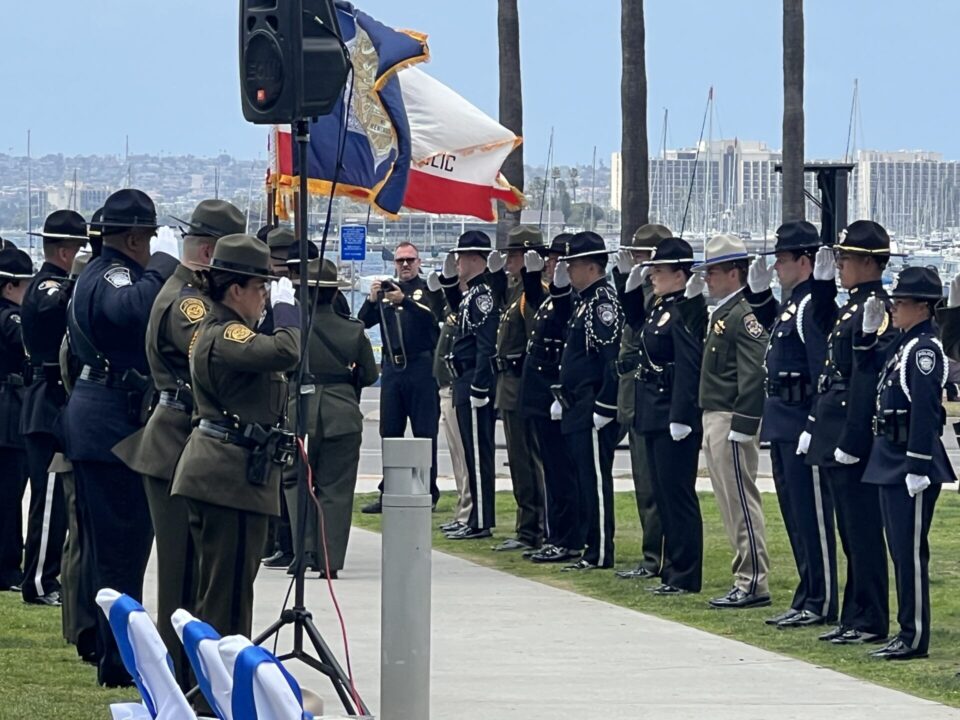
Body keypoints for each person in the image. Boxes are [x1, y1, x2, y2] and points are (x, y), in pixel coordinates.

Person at [111, 199, 245, 689]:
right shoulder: (189, 303)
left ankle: (190, 678)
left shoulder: (188, 294)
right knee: (183, 574)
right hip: (175, 443)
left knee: (192, 571)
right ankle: (182, 682)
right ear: (209, 253)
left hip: (180, 439)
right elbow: (217, 354)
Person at [62, 189, 179, 687]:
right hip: (111, 425)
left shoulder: (103, 269)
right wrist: (163, 266)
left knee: (112, 552)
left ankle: (108, 649)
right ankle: (118, 662)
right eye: (148, 238)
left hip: (103, 421)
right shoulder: (113, 274)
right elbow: (127, 310)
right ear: (133, 238)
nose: (150, 244)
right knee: (121, 553)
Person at [171, 234, 300, 639]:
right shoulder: (226, 333)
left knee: (221, 591)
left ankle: (208, 687)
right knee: (226, 599)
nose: (264, 295)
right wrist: (287, 311)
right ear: (235, 288)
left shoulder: (232, 329)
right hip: (228, 478)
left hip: (230, 473)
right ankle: (218, 691)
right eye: (260, 287)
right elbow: (286, 352)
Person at [803, 220, 894, 646]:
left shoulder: (876, 308)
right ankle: (853, 614)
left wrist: (854, 440)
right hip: (834, 426)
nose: (839, 265)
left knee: (862, 533)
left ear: (869, 262)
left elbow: (865, 378)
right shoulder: (852, 305)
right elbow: (821, 338)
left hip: (852, 433)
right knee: (849, 533)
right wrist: (820, 288)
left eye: (845, 259)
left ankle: (871, 618)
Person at [857, 266, 954, 660]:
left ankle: (913, 636)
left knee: (910, 553)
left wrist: (918, 464)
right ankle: (905, 629)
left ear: (923, 307)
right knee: (899, 550)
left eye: (901, 303)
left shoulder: (924, 349)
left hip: (909, 462)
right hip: (890, 457)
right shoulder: (903, 343)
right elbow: (867, 364)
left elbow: (926, 413)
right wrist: (866, 333)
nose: (894, 308)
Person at [746, 222, 838, 628]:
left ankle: (821, 599)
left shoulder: (809, 308)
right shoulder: (792, 304)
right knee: (796, 518)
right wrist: (759, 296)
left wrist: (813, 424)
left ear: (805, 261)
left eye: (783, 260)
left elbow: (822, 369)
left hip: (802, 425)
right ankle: (807, 593)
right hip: (783, 425)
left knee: (812, 518)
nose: (778, 267)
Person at [623, 237, 706, 594]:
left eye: (658, 270)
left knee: (678, 495)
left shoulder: (687, 308)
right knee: (662, 492)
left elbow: (689, 365)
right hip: (652, 411)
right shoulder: (660, 307)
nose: (652, 276)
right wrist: (626, 289)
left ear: (680, 274)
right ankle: (671, 567)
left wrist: (682, 414)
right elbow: (639, 327)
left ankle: (685, 573)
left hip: (672, 412)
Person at [288, 258, 378, 578]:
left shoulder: (292, 328)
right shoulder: (352, 330)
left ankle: (302, 552)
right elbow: (369, 373)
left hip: (300, 412)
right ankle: (330, 559)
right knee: (336, 489)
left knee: (297, 483)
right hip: (341, 414)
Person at [695, 234, 770, 609]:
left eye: (714, 271)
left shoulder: (742, 314)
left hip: (730, 417)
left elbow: (754, 372)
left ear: (735, 273)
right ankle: (743, 575)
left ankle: (753, 580)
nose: (708, 277)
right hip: (715, 414)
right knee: (728, 502)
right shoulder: (724, 313)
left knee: (740, 499)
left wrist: (745, 420)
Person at [19, 211, 88, 608]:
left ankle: (45, 576)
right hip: (46, 400)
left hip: (51, 399)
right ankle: (41, 581)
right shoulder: (47, 286)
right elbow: (48, 310)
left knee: (56, 500)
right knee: (47, 503)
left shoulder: (52, 282)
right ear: (65, 250)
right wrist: (76, 285)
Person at [358, 240, 444, 514]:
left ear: (419, 262)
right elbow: (362, 322)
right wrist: (372, 300)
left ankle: (427, 491)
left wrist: (404, 301)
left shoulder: (428, 289)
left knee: (424, 432)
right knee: (390, 432)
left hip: (421, 368)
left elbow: (433, 319)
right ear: (394, 264)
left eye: (410, 260)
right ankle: (390, 491)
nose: (405, 265)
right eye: (400, 261)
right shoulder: (386, 292)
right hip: (393, 371)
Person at [553, 231, 622, 570]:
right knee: (583, 478)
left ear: (592, 267)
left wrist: (605, 406)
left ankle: (600, 551)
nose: (568, 270)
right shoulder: (583, 301)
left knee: (595, 480)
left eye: (573, 264)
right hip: (576, 402)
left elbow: (610, 359)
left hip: (592, 402)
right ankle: (588, 546)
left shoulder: (602, 302)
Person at [611, 224, 670, 580]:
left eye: (642, 256)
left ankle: (657, 557)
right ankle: (652, 554)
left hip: (651, 394)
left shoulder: (659, 296)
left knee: (654, 485)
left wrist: (627, 288)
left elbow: (642, 327)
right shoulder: (642, 290)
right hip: (633, 393)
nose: (636, 261)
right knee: (642, 482)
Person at [440, 231, 501, 540]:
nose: (458, 262)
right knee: (469, 451)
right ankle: (473, 516)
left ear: (476, 259)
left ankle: (480, 520)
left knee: (477, 454)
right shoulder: (472, 295)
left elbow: (485, 345)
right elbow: (456, 310)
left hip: (472, 381)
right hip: (462, 377)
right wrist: (449, 279)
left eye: (462, 257)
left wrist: (480, 386)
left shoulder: (484, 295)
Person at [523, 235, 579, 564]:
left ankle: (565, 536)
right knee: (551, 469)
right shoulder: (550, 296)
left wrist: (554, 287)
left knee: (561, 471)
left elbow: (561, 316)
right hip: (540, 394)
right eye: (551, 259)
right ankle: (554, 533)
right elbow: (533, 302)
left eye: (559, 260)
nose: (551, 264)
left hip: (554, 392)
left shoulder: (568, 298)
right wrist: (532, 278)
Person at [491, 225, 547, 552]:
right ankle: (527, 525)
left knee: (529, 460)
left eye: (514, 255)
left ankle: (534, 528)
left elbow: (533, 332)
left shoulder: (534, 291)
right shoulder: (516, 291)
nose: (509, 261)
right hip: (508, 385)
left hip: (521, 384)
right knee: (518, 460)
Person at [259, 228, 297, 568]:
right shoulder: (259, 292)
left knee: (288, 478)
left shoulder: (292, 298)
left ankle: (287, 542)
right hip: (267, 395)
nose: (280, 266)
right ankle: (273, 539)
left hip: (290, 393)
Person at [0, 247, 35, 595]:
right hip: (8, 413)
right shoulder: (11, 318)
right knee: (10, 495)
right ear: (10, 287)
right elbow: (29, 345)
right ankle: (8, 566)